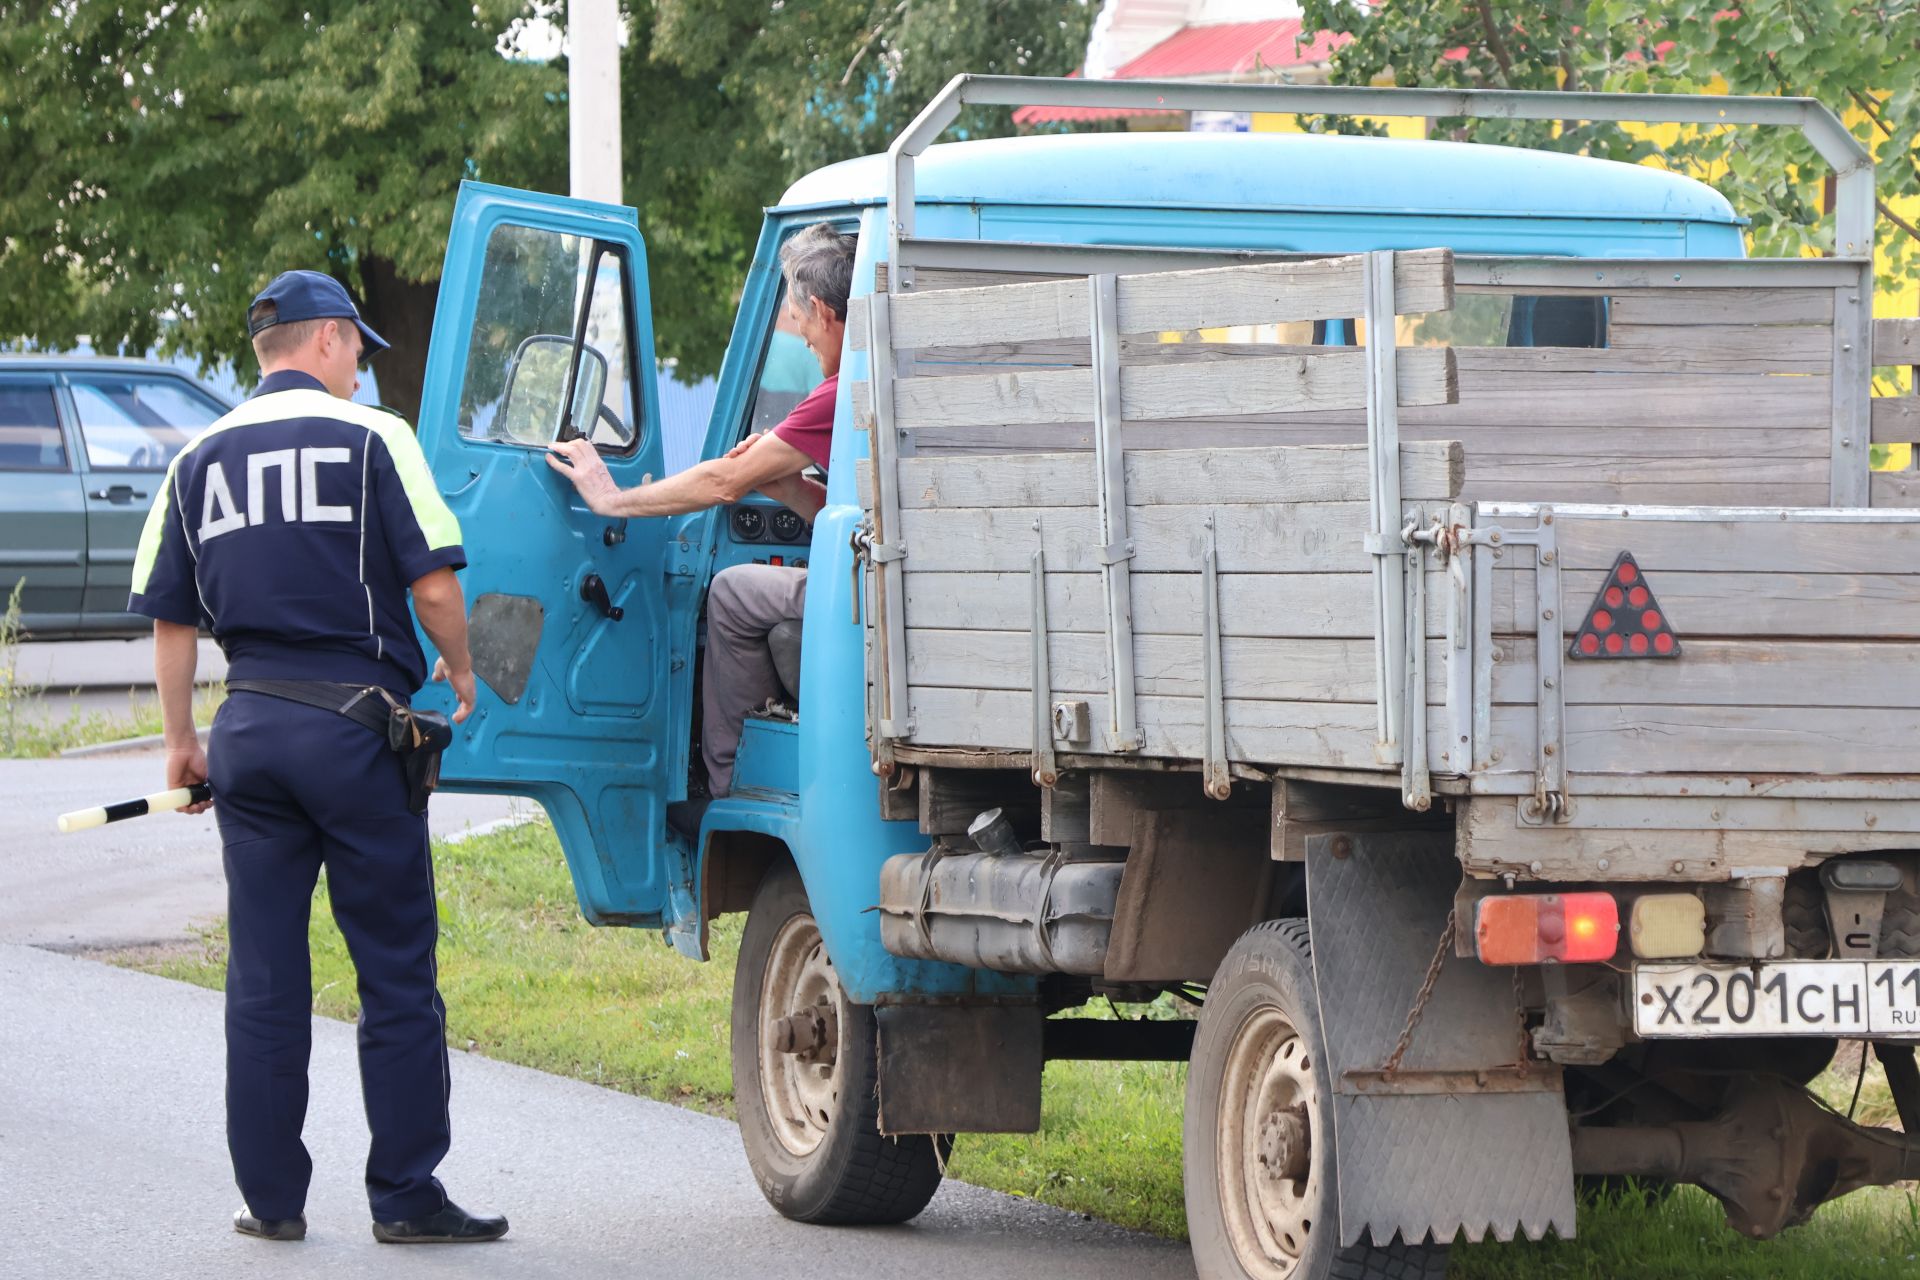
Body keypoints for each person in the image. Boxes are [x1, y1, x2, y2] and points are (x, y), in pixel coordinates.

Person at [129, 269, 506, 1245]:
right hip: (355, 729)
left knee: (262, 974)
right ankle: (408, 1192)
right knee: (393, 967)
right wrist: (461, 672)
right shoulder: (378, 438)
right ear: (331, 340)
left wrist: (182, 743)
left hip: (248, 728)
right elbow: (431, 585)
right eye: (359, 355)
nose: (360, 374)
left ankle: (272, 1199)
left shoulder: (197, 456)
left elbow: (170, 617)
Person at [548, 222, 855, 800]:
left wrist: (611, 498)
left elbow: (721, 481)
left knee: (732, 592)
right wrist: (789, 487)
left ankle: (727, 783)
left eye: (804, 330)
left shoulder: (842, 390)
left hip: (872, 588)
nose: (805, 342)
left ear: (820, 308)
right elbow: (852, 516)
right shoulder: (882, 377)